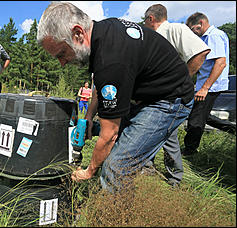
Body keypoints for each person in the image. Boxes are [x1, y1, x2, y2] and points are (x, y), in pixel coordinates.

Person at [37, 2, 194, 192]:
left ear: (78, 33)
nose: (62, 63)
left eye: (62, 53)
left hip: (169, 100)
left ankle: (116, 217)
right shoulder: (103, 32)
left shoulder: (110, 59)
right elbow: (101, 84)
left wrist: (89, 170)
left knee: (117, 167)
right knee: (113, 141)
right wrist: (88, 117)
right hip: (146, 95)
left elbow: (110, 134)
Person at [143, 4, 210, 186]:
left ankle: (174, 178)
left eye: (145, 20)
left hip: (172, 95)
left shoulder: (175, 29)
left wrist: (181, 79)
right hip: (155, 95)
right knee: (150, 131)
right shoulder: (152, 37)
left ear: (151, 18)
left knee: (168, 134)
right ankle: (149, 167)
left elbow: (200, 52)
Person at [182, 12, 229, 156]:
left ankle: (190, 151)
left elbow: (220, 63)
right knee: (201, 115)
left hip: (211, 86)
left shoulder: (213, 36)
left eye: (193, 29)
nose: (193, 33)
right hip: (206, 84)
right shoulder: (206, 37)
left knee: (196, 119)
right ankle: (231, 129)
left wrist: (205, 88)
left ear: (201, 23)